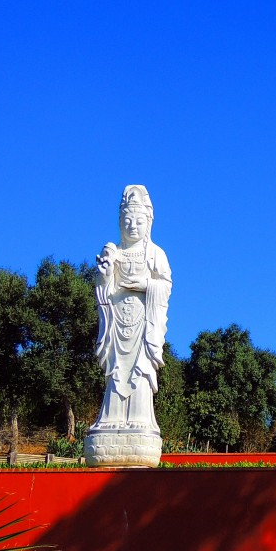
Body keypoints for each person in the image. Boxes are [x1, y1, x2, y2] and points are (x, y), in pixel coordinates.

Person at [92, 185, 171, 432]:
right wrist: (104, 276)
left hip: (143, 325)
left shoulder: (156, 253)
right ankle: (110, 420)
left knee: (141, 371)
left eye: (138, 221)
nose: (132, 226)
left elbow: (166, 285)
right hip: (116, 326)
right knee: (117, 371)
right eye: (127, 220)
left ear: (148, 222)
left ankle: (140, 420)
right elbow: (105, 289)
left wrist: (145, 285)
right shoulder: (115, 252)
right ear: (119, 222)